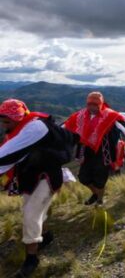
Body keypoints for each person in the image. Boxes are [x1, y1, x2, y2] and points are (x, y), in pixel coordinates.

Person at [0, 99, 79, 277]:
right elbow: (12, 156)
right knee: (32, 210)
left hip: (47, 176)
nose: (4, 125)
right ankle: (46, 236)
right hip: (30, 176)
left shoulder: (36, 127)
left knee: (31, 213)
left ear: (19, 117)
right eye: (3, 121)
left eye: (7, 121)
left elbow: (7, 153)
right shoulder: (20, 129)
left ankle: (31, 258)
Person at [64, 92, 125, 206]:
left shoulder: (110, 116)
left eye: (95, 104)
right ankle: (96, 194)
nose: (92, 107)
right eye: (90, 104)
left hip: (103, 153)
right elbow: (67, 126)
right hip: (86, 152)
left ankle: (99, 200)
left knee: (100, 180)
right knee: (83, 177)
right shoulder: (80, 115)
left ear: (100, 104)